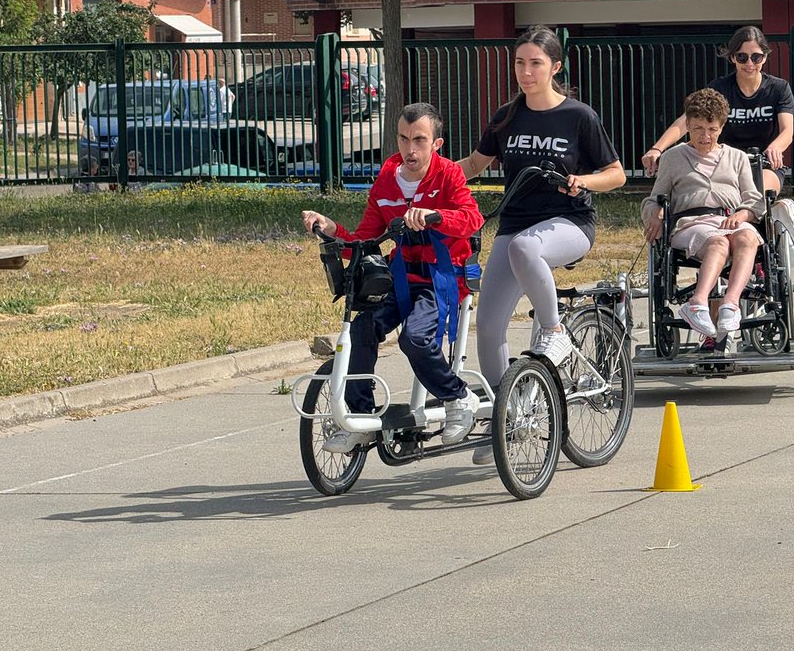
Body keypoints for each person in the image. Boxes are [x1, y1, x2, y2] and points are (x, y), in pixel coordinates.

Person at [455, 26, 626, 464]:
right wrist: (421, 176)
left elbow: (616, 174)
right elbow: (474, 164)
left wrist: (583, 181)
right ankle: (509, 418)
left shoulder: (578, 116)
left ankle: (554, 332)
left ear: (556, 67)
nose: (526, 72)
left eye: (535, 63)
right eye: (520, 63)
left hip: (570, 222)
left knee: (525, 249)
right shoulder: (506, 117)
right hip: (516, 224)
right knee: (488, 327)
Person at [302, 102, 484, 453]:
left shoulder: (448, 175)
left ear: (436, 144)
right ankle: (359, 416)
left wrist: (435, 216)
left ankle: (458, 397)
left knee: (414, 338)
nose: (410, 149)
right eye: (403, 139)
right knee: (360, 330)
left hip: (443, 279)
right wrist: (331, 229)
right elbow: (365, 241)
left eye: (419, 140)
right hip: (401, 278)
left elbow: (472, 219)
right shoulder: (387, 180)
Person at [642, 88, 765, 338]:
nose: (705, 136)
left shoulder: (737, 158)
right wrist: (654, 212)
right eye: (698, 128)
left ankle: (731, 304)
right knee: (718, 242)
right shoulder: (672, 158)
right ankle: (697, 303)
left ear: (721, 127)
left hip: (730, 219)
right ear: (687, 125)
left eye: (712, 129)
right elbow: (653, 199)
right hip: (691, 222)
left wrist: (742, 215)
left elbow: (755, 201)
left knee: (748, 237)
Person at [642, 25, 794, 194]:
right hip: (724, 163)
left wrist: (775, 148)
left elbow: (787, 131)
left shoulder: (779, 88)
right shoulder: (720, 87)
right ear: (733, 57)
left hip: (763, 164)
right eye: (742, 57)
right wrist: (657, 149)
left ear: (765, 57)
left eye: (756, 57)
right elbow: (687, 120)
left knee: (758, 193)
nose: (749, 63)